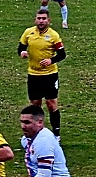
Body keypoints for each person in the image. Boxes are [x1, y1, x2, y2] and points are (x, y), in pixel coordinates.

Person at [18, 8, 66, 141]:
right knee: (35, 105)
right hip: (33, 75)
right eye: (39, 18)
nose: (41, 21)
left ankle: (56, 134)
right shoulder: (28, 33)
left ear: (49, 21)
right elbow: (21, 47)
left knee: (51, 104)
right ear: (35, 20)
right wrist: (22, 53)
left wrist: (51, 60)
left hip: (50, 75)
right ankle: (35, 133)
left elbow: (62, 54)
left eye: (44, 18)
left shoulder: (53, 35)